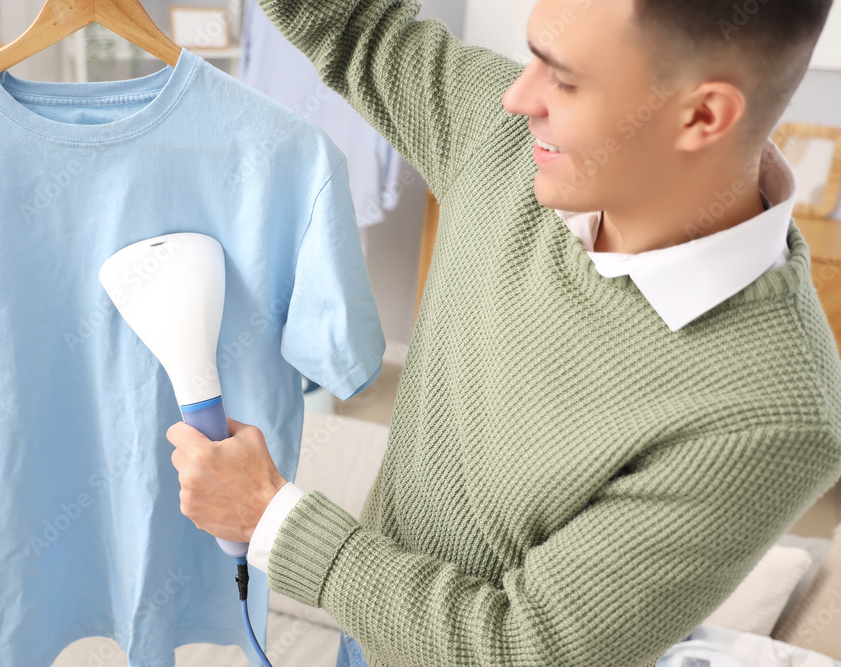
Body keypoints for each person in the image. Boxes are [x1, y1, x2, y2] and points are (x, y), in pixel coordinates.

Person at [166, 0, 841, 665]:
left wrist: (270, 518)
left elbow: (524, 647)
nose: (518, 97)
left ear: (702, 115)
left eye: (565, 79)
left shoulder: (774, 412)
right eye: (532, 58)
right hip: (366, 636)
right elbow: (356, 27)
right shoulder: (508, 140)